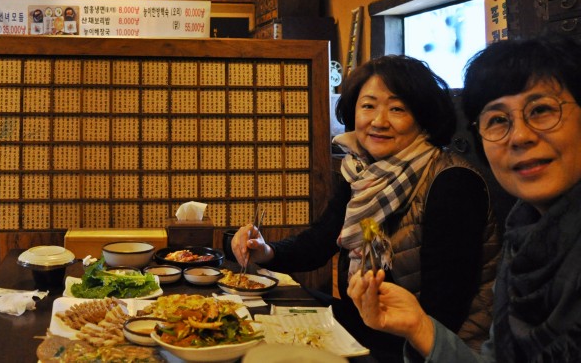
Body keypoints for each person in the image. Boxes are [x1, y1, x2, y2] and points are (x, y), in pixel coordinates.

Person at [231, 55, 499, 361]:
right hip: (366, 326)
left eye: (397, 108)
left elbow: (446, 310)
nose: (379, 121)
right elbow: (321, 240)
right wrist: (268, 252)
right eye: (368, 105)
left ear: (423, 116)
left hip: (429, 347)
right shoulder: (361, 170)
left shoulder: (452, 182)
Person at [347, 35, 581, 362]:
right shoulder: (525, 234)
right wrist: (417, 326)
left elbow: (450, 308)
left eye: (541, 110)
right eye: (498, 120)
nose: (521, 136)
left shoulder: (452, 180)